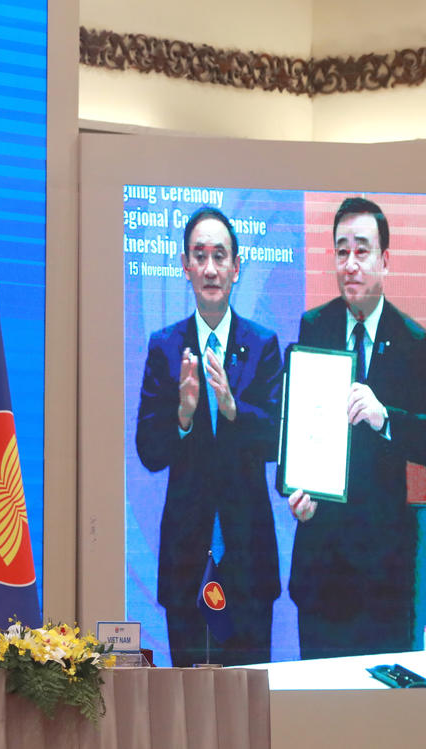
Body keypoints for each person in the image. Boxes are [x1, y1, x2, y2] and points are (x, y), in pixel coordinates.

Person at [287, 197, 426, 660]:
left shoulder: (412, 339)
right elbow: (298, 427)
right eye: (341, 251)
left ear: (385, 260)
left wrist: (384, 417)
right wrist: (297, 492)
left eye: (362, 250)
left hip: (382, 571)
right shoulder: (313, 326)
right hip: (321, 562)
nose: (350, 264)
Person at [136, 207, 282, 667]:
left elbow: (277, 439)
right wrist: (183, 414)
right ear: (184, 266)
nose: (211, 268)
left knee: (249, 705)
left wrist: (233, 410)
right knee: (187, 707)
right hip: (186, 559)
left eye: (220, 256)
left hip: (248, 559)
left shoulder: (263, 344)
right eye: (200, 256)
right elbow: (149, 451)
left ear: (237, 268)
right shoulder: (165, 347)